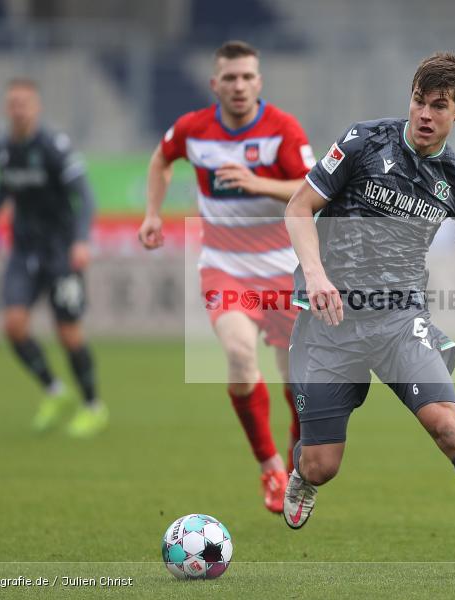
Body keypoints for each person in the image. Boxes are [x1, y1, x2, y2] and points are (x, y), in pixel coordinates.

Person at [282, 53, 455, 578]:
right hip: (330, 323)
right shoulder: (363, 142)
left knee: (448, 425)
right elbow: (297, 208)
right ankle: (303, 473)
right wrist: (315, 274)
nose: (425, 114)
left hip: (401, 320)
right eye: (419, 101)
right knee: (322, 464)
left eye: (439, 105)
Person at [138, 40, 315, 513]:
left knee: (298, 383)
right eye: (229, 78)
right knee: (239, 357)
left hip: (283, 271)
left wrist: (259, 183)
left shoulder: (282, 130)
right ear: (215, 84)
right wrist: (152, 214)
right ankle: (270, 467)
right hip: (225, 267)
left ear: (259, 82)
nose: (238, 86)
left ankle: (299, 469)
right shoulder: (193, 129)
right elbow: (161, 159)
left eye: (247, 77)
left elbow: (313, 189)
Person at [0, 78, 107, 438]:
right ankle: (54, 392)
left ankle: (93, 406)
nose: (19, 109)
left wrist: (81, 240)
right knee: (13, 325)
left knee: (68, 333)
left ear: (37, 107)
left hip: (61, 253)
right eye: (13, 103)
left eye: (25, 103)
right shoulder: (0, 146)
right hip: (24, 250)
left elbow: (85, 196)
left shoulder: (54, 147)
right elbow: (4, 185)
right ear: (5, 108)